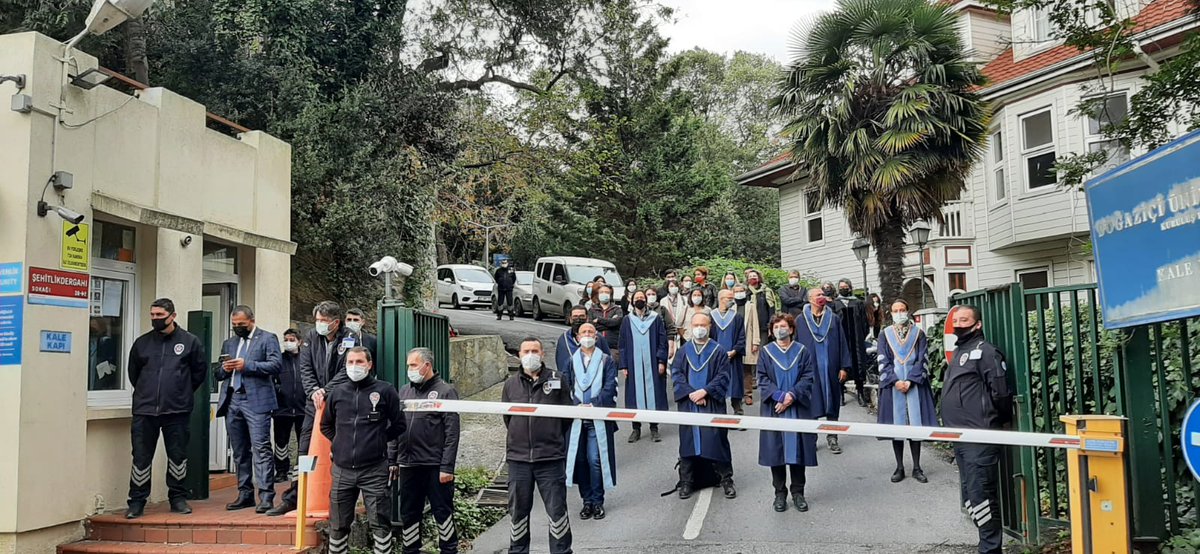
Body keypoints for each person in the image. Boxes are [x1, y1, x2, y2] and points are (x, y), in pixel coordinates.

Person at [277, 300, 366, 514]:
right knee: (305, 448)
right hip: (313, 403)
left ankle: (339, 498)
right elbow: (305, 367)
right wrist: (314, 390)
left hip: (340, 402)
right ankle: (295, 495)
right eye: (317, 320)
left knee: (340, 449)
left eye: (324, 321)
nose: (319, 324)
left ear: (336, 322)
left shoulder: (350, 338)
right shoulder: (310, 338)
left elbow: (347, 371)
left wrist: (325, 390)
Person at [125, 298, 207, 519]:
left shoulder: (190, 342)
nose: (155, 319)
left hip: (176, 410)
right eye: (152, 315)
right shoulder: (142, 343)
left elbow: (199, 373)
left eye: (159, 316)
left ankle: (178, 498)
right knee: (141, 457)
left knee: (177, 456)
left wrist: (180, 392)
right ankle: (137, 502)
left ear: (172, 316)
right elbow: (134, 374)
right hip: (145, 410)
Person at [941, 306, 1013, 554]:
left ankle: (990, 549)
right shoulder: (961, 350)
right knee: (972, 495)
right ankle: (985, 545)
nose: (959, 324)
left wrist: (994, 422)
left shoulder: (986, 352)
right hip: (960, 437)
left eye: (965, 320)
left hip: (979, 437)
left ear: (977, 324)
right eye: (956, 320)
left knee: (982, 495)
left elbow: (1001, 393)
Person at [321, 347, 406, 554]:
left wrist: (378, 440)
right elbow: (326, 425)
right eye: (350, 362)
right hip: (342, 470)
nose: (354, 366)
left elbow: (399, 424)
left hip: (374, 469)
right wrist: (340, 442)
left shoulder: (385, 391)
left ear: (369, 364)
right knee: (338, 524)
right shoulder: (337, 393)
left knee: (380, 523)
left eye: (359, 362)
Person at [503, 338, 574, 554]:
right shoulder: (510, 385)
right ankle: (518, 550)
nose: (531, 354)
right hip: (518, 460)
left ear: (543, 354)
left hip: (550, 458)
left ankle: (561, 551)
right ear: (519, 354)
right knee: (518, 512)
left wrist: (550, 436)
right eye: (527, 351)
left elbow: (566, 417)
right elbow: (508, 419)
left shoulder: (558, 379)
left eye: (535, 350)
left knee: (557, 511)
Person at [214, 305, 282, 513]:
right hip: (232, 399)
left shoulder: (267, 338)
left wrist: (248, 365)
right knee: (239, 451)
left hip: (257, 401)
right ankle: (244, 494)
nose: (237, 328)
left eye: (241, 324)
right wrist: (223, 369)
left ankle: (266, 496)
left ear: (251, 320)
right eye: (234, 325)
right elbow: (217, 373)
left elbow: (276, 365)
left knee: (261, 448)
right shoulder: (229, 342)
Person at [396, 348, 461, 554]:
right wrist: (392, 460)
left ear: (427, 365)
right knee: (409, 514)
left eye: (413, 365)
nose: (410, 369)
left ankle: (449, 549)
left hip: (435, 467)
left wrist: (447, 466)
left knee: (442, 512)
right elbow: (395, 428)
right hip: (409, 464)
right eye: (408, 365)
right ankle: (411, 550)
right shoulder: (405, 391)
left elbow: (452, 433)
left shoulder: (445, 391)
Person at [671, 313, 736, 500]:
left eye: (703, 324)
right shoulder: (683, 351)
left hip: (711, 403)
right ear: (691, 326)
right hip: (688, 403)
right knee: (688, 440)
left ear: (709, 327)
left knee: (717, 438)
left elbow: (723, 377)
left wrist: (705, 391)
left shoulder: (718, 351)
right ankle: (687, 481)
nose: (699, 328)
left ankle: (726, 479)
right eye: (696, 324)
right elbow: (676, 374)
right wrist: (691, 393)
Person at [757, 314, 817, 513]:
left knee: (798, 452)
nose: (779, 330)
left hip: (798, 407)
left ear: (791, 329)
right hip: (774, 409)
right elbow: (762, 378)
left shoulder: (802, 351)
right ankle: (779, 494)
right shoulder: (766, 352)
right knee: (776, 452)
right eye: (775, 327)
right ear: (772, 331)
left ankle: (798, 493)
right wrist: (779, 396)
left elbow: (808, 377)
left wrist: (791, 395)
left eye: (783, 326)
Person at [877, 299, 937, 484]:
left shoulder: (918, 333)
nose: (899, 313)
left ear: (908, 311)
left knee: (914, 426)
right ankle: (899, 466)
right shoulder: (884, 334)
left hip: (914, 385)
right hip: (893, 386)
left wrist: (910, 380)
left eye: (902, 309)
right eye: (896, 310)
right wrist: (895, 381)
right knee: (897, 427)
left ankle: (917, 467)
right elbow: (882, 359)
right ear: (891, 313)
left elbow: (923, 359)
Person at [563, 323, 619, 520]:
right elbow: (565, 386)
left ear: (596, 337)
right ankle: (586, 501)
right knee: (580, 460)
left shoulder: (606, 360)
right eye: (583, 332)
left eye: (590, 332)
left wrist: (595, 405)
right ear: (577, 338)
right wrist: (575, 404)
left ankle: (597, 501)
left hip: (597, 418)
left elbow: (610, 385)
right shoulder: (571, 361)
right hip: (577, 418)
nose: (587, 335)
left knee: (595, 459)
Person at [794, 288, 852, 455]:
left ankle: (832, 437)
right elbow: (796, 345)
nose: (822, 297)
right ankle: (811, 438)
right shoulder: (800, 320)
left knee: (832, 402)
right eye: (818, 295)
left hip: (831, 368)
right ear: (810, 299)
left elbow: (842, 342)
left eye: (822, 295)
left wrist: (843, 366)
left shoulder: (833, 319)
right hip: (809, 370)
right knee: (811, 402)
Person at [619, 290, 670, 443]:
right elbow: (622, 345)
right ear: (632, 301)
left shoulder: (655, 319)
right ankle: (636, 429)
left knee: (653, 394)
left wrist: (661, 361)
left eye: (642, 298)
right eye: (637, 298)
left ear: (646, 300)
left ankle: (654, 428)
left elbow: (662, 341)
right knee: (634, 396)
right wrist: (624, 365)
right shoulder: (627, 321)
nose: (640, 300)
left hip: (652, 364)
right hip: (633, 366)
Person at [271, 329, 305, 489]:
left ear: (299, 341)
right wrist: (278, 389)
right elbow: (271, 379)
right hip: (282, 407)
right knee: (281, 441)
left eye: (292, 339)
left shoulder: (305, 359)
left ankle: (301, 471)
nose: (288, 342)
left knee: (303, 441)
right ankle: (281, 471)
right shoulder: (279, 359)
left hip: (302, 408)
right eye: (286, 339)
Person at [834, 279, 870, 407]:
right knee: (842, 365)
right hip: (841, 340)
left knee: (858, 365)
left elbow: (865, 323)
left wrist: (860, 336)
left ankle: (860, 393)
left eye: (846, 286)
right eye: (841, 287)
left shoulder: (858, 303)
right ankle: (841, 394)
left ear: (850, 288)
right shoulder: (834, 304)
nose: (843, 288)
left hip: (856, 341)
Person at [743, 270, 777, 407]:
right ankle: (750, 385)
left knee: (761, 354)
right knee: (749, 356)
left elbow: (771, 309)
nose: (753, 278)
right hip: (749, 327)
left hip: (763, 327)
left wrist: (771, 326)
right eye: (750, 277)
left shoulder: (766, 291)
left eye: (755, 276)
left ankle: (763, 381)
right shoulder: (745, 292)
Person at [711, 290, 747, 414]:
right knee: (718, 383)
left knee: (735, 384)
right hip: (716, 358)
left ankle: (738, 411)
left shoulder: (737, 317)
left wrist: (735, 350)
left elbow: (742, 336)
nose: (732, 301)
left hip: (734, 357)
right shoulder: (711, 316)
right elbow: (709, 337)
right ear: (721, 299)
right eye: (729, 298)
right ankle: (721, 413)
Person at [557, 306, 612, 371]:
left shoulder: (599, 338)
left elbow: (608, 362)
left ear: (587, 318)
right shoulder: (564, 338)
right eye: (575, 316)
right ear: (570, 319)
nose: (578, 319)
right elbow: (560, 363)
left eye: (582, 316)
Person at [589, 284, 625, 359]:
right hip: (595, 346)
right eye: (601, 292)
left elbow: (616, 322)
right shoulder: (592, 310)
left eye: (606, 292)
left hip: (613, 347)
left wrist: (599, 320)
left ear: (610, 295)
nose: (604, 294)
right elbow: (591, 326)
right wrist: (609, 325)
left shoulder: (617, 309)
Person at [645, 288, 678, 358]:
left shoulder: (662, 309)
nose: (651, 296)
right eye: (648, 294)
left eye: (653, 294)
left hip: (661, 345)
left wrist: (671, 347)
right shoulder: (642, 310)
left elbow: (670, 328)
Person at [662, 279, 690, 351]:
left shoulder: (684, 299)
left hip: (681, 330)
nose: (673, 288)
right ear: (667, 288)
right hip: (669, 330)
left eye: (675, 286)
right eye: (671, 286)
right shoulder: (663, 301)